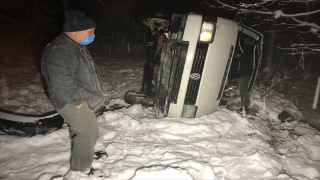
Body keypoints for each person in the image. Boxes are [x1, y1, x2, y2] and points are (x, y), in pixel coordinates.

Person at [41, 10, 106, 176]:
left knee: (83, 130)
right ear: (76, 30)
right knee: (87, 132)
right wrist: (77, 101)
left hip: (78, 97)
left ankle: (84, 153)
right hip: (71, 99)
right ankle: (79, 171)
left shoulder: (74, 45)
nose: (93, 34)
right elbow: (61, 82)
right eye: (90, 31)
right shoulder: (61, 49)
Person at [229, 44, 253, 113]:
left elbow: (240, 63)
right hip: (239, 73)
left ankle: (246, 106)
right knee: (240, 88)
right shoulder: (239, 51)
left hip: (243, 74)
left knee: (243, 89)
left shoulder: (244, 51)